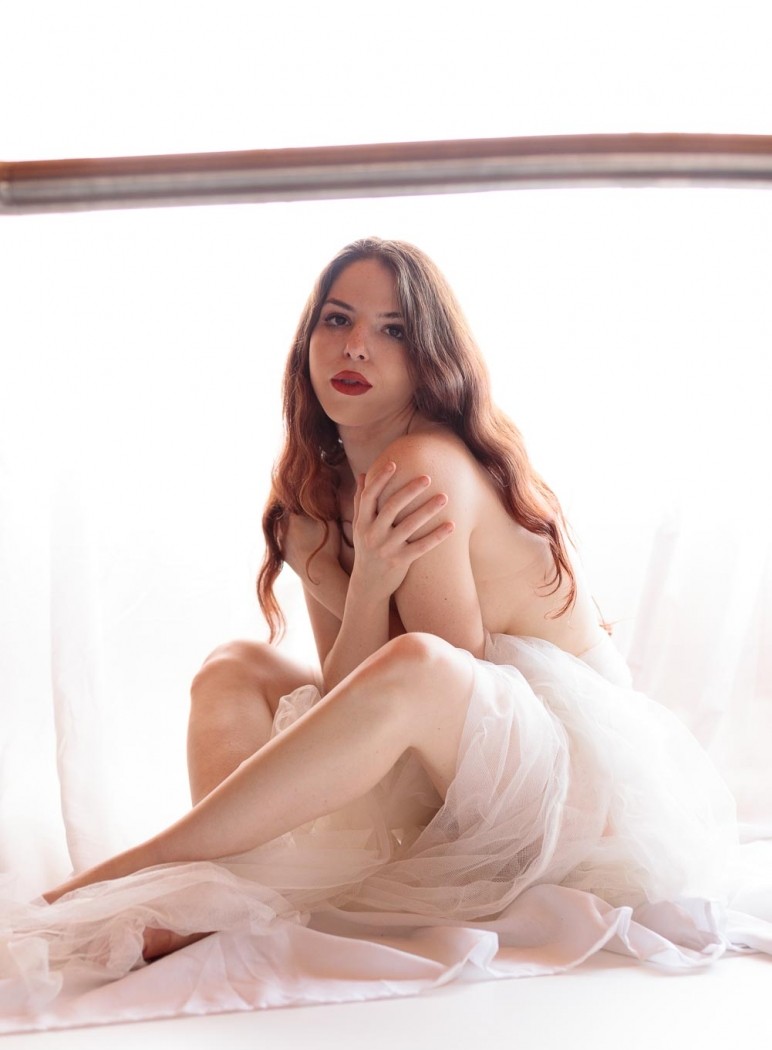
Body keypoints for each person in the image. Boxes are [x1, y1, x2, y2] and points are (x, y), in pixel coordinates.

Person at [10, 239, 738, 977]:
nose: (356, 346)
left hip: (572, 799)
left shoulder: (422, 465)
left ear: (428, 359)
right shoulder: (312, 499)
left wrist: (375, 579)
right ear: (308, 340)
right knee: (234, 666)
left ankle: (141, 870)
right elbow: (348, 695)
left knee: (420, 662)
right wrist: (367, 585)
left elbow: (448, 683)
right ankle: (218, 892)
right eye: (337, 319)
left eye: (393, 330)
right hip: (440, 769)